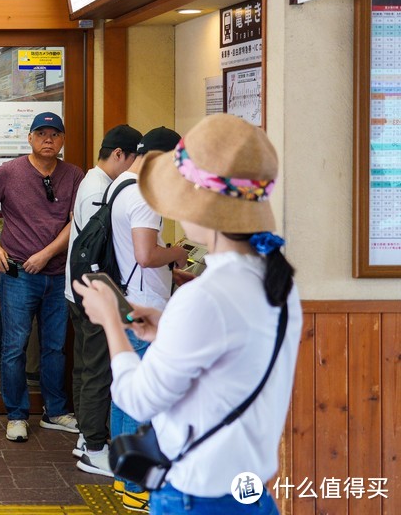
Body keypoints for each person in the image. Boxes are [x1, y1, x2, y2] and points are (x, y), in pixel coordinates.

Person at [74, 114, 301, 515]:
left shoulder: (205, 297)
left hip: (197, 495)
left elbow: (139, 400)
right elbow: (228, 361)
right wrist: (166, 330)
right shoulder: (277, 282)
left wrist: (112, 321)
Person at [0, 111, 83, 442]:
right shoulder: (9, 172)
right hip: (18, 274)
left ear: (62, 140)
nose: (49, 139)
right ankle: (17, 415)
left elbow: (75, 221)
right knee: (14, 346)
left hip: (58, 274)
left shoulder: (74, 174)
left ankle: (56, 411)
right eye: (42, 133)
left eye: (55, 134)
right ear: (30, 138)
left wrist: (47, 254)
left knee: (54, 347)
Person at [104, 126, 189, 511]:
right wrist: (175, 253)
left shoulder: (119, 184)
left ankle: (123, 478)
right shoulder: (144, 194)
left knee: (124, 392)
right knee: (142, 398)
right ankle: (136, 485)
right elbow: (145, 254)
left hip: (121, 297)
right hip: (143, 303)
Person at [62, 124, 142, 477]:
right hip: (93, 292)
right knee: (97, 369)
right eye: (135, 159)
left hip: (79, 289)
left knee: (86, 365)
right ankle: (94, 446)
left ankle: (85, 435)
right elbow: (102, 245)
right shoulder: (100, 187)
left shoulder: (92, 182)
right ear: (120, 155)